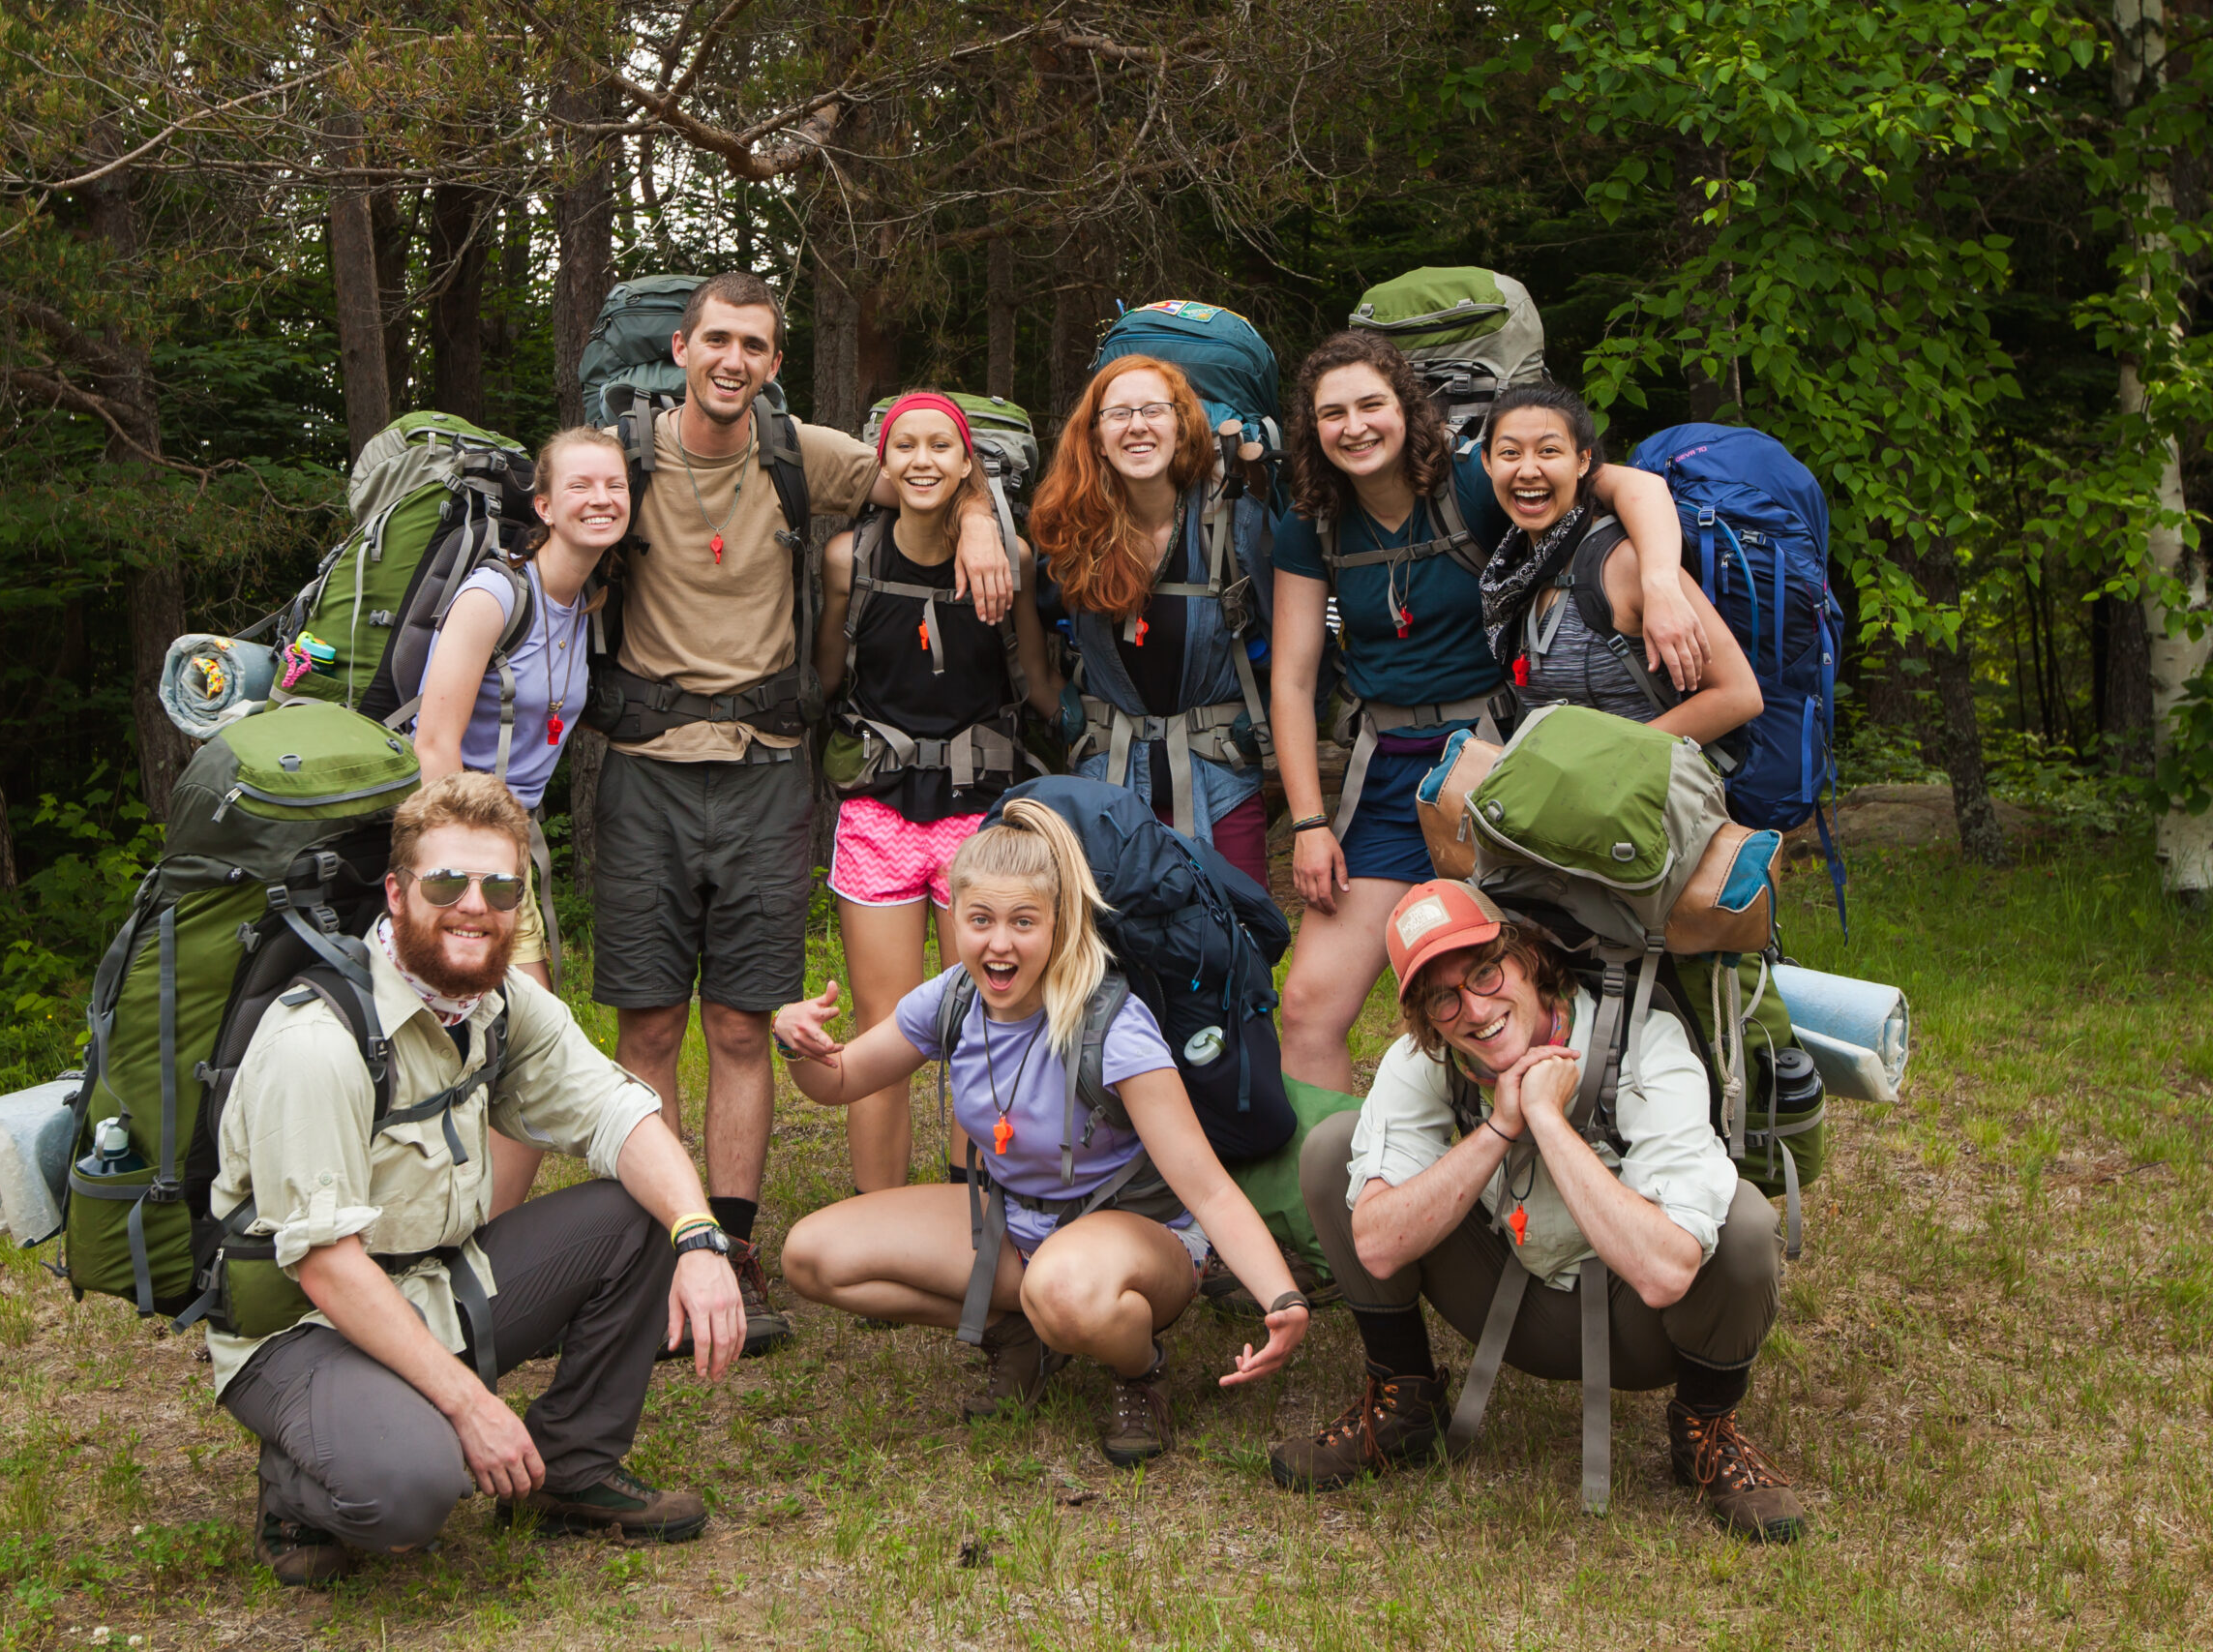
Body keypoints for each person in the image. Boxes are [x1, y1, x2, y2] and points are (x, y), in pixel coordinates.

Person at [586, 273, 1013, 1357]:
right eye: (717, 341)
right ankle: (658, 1253)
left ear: (776, 363)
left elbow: (929, 468)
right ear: (681, 349)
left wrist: (973, 519)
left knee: (738, 1023)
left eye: (756, 346)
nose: (734, 360)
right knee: (646, 1026)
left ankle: (728, 1249)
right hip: (643, 765)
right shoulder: (624, 455)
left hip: (769, 769)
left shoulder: (801, 453)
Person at [207, 773, 748, 1586]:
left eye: (500, 885)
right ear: (395, 892)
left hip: (435, 1282)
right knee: (417, 1489)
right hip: (303, 1326)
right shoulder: (318, 1042)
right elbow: (325, 1265)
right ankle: (295, 1484)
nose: (474, 904)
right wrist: (471, 1405)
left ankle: (569, 1471)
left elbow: (621, 1113)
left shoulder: (497, 1002)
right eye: (446, 881)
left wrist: (702, 1239)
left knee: (649, 1211)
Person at [770, 800, 1312, 1466]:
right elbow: (843, 1078)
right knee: (812, 1254)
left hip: (1137, 1235)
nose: (999, 943)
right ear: (958, 920)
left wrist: (1280, 1296)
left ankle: (1139, 1371)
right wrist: (797, 1045)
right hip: (1016, 1223)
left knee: (1064, 1287)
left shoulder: (1112, 1026)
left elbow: (1207, 1187)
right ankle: (1019, 1331)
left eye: (1023, 921)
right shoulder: (955, 999)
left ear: (1061, 925)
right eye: (980, 920)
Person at [1267, 880, 1804, 1543]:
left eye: (1485, 971)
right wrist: (1498, 1127)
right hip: (1507, 1298)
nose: (1474, 1008)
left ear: (1527, 958)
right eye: (1443, 996)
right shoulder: (1428, 1056)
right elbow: (1375, 1245)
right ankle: (1403, 1400)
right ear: (1426, 1017)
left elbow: (1667, 1271)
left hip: (1645, 1322)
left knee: (1744, 1224)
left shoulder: (1642, 1040)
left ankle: (1705, 1427)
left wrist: (1548, 1118)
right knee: (1331, 1150)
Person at [1268, 331, 1706, 1095]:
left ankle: (1530, 1171)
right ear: (1313, 428)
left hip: (1498, 758)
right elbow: (1294, 678)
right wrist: (1308, 822)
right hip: (1387, 771)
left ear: (1407, 407)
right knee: (1307, 1006)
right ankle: (1333, 1206)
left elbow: (1633, 488)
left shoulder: (1474, 481)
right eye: (1332, 413)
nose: (1355, 426)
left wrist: (1662, 582)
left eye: (1373, 404)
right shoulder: (1313, 520)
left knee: (1512, 994)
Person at [813, 391, 1060, 1192]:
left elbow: (1035, 684)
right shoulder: (849, 557)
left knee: (988, 1018)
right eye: (903, 446)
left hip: (979, 813)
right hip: (879, 808)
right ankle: (877, 1211)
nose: (921, 460)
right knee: (882, 1022)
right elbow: (825, 676)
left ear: (967, 466)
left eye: (940, 446)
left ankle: (975, 1209)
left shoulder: (1010, 560)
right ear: (880, 464)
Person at [413, 425, 624, 1217]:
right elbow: (432, 744)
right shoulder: (495, 594)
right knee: (533, 1048)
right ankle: (474, 1254)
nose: (602, 499)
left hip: (515, 841)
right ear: (543, 503)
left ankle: (473, 1247)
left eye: (615, 486)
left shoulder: (587, 602)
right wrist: (467, 877)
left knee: (504, 1051)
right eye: (581, 486)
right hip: (461, 843)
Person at [1027, 354, 1271, 888]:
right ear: (1094, 436)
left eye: (1154, 410)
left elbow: (1292, 648)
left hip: (1221, 779)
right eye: (1118, 414)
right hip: (1106, 785)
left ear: (1183, 426)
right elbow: (1031, 628)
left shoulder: (1236, 524)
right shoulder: (1071, 532)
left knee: (1240, 947)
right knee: (1112, 958)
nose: (1137, 425)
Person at [1477, 383, 1762, 743]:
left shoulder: (1624, 561)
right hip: (1558, 793)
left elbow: (1738, 696)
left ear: (1583, 462)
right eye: (1510, 453)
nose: (1528, 470)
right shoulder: (1514, 568)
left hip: (1639, 793)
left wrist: (1604, 759)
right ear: (1487, 462)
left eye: (1549, 451)